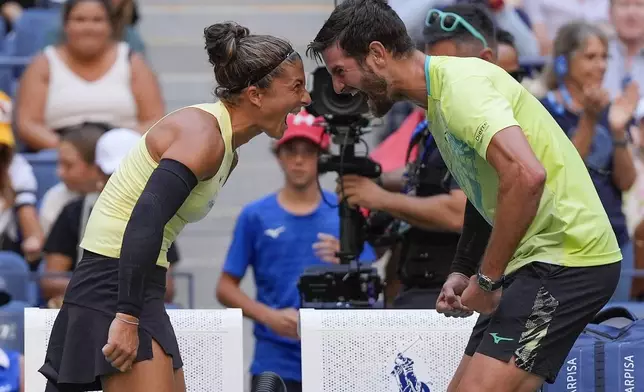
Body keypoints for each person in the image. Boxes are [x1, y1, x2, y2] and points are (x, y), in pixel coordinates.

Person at [308, 1, 622, 391]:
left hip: (568, 261)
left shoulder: (459, 88)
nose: (338, 87)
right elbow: (483, 188)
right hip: (538, 261)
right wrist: (463, 267)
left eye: (340, 71)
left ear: (376, 54)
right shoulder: (438, 97)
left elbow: (526, 177)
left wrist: (487, 281)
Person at [40, 22, 311, 392]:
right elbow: (144, 219)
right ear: (255, 95)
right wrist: (127, 315)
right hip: (115, 281)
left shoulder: (226, 151)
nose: (306, 99)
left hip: (138, 278)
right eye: (296, 86)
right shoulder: (204, 137)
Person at [339, 3, 498, 309]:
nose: (436, 77)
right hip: (417, 288)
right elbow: (425, 179)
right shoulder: (433, 123)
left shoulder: (489, 122)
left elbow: (458, 211)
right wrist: (377, 178)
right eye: (431, 65)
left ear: (485, 61)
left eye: (447, 67)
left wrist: (379, 197)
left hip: (461, 297)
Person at [217, 110, 375, 392]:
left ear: (322, 156)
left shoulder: (345, 213)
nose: (299, 160)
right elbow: (225, 287)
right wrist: (269, 317)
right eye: (291, 151)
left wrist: (348, 257)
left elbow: (372, 284)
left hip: (334, 356)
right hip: (274, 359)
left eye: (309, 151)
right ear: (279, 155)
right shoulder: (255, 215)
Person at [540, 21, 639, 301]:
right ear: (563, 62)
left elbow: (627, 181)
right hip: (564, 243)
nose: (601, 65)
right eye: (590, 56)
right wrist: (590, 118)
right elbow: (563, 174)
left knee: (615, 330)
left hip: (614, 235)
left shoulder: (611, 109)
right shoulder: (543, 110)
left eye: (605, 57)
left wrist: (618, 131)